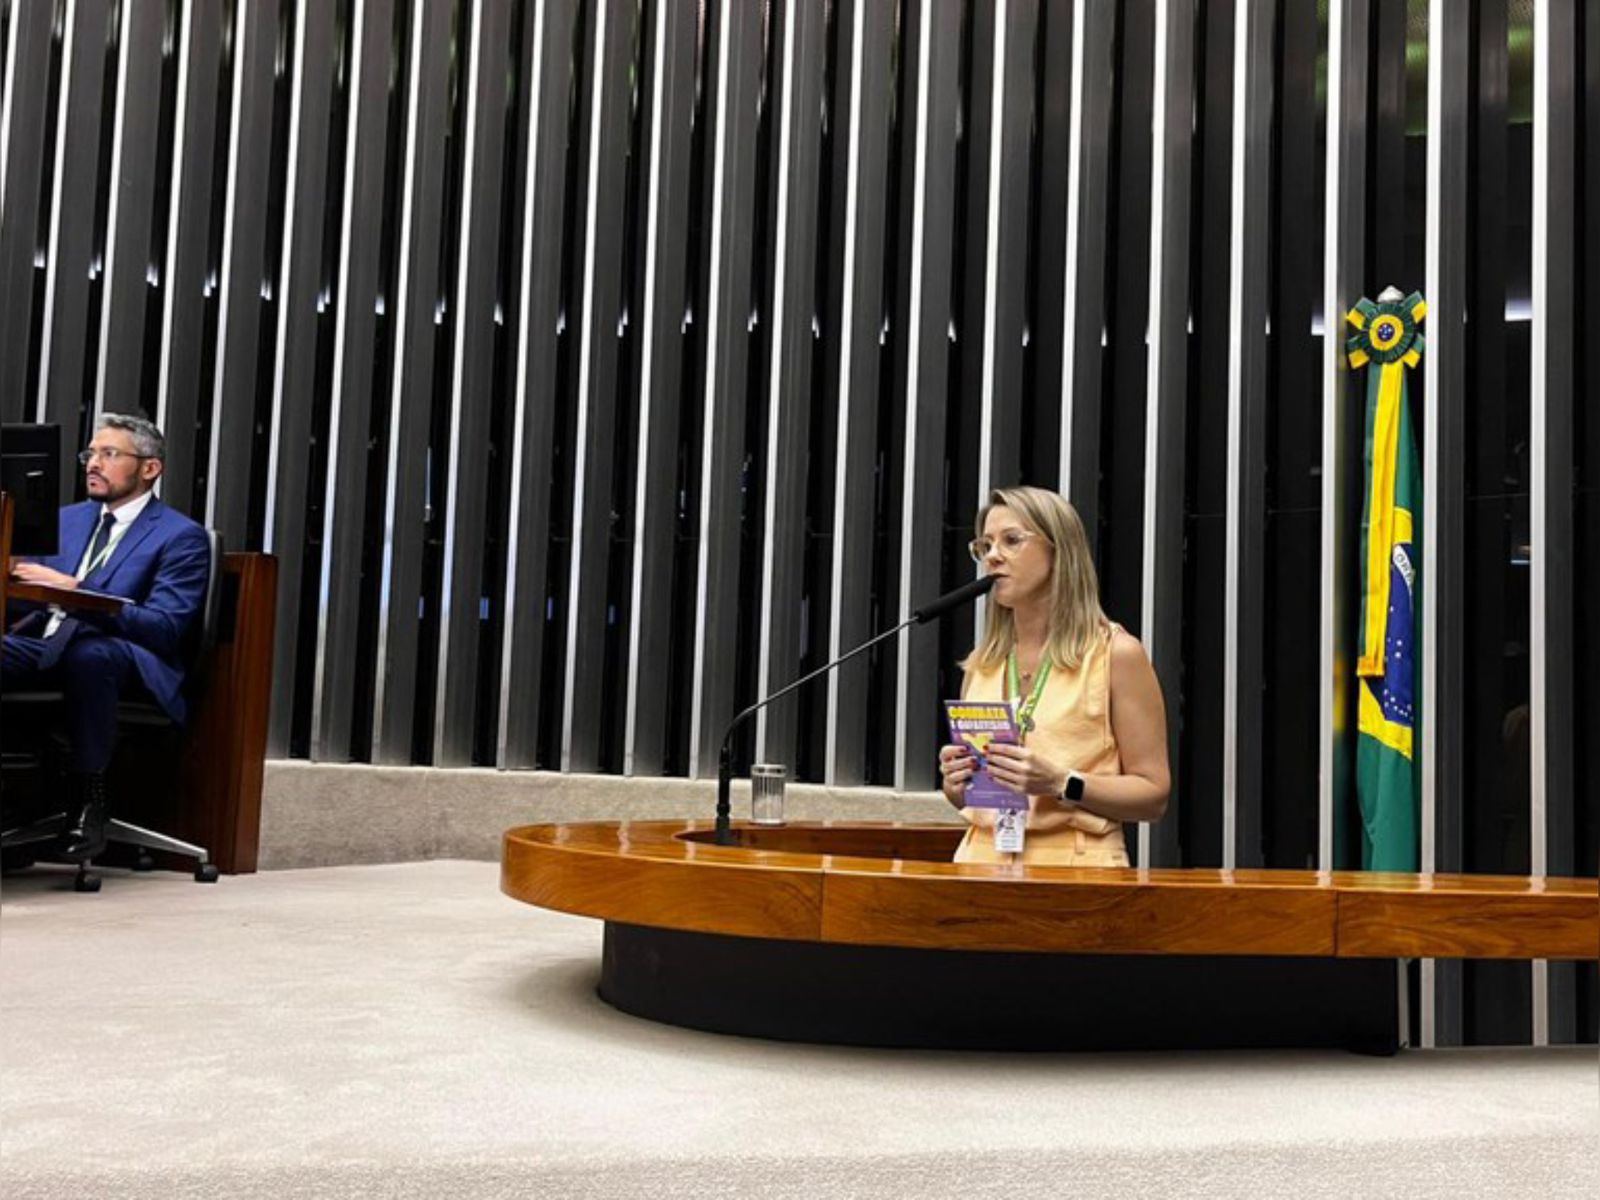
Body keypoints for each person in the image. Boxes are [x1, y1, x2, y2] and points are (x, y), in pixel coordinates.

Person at [3, 413, 210, 858]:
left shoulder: (181, 537)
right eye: (90, 454)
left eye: (109, 454)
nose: (93, 464)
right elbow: (24, 601)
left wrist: (78, 591)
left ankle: (87, 800)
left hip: (128, 662)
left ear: (149, 468)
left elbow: (166, 628)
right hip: (45, 644)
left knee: (91, 654)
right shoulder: (66, 520)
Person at [938, 486, 1169, 866]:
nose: (993, 557)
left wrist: (1062, 783)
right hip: (979, 859)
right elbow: (973, 799)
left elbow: (1153, 796)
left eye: (1012, 541)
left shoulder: (1116, 654)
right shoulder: (984, 663)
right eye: (985, 546)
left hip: (1075, 865)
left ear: (1058, 550)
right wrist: (955, 782)